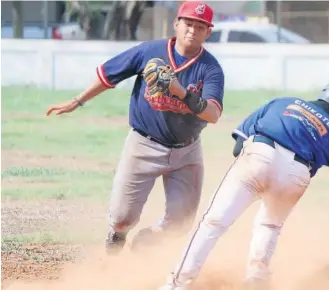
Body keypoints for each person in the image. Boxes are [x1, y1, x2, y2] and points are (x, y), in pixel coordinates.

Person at [157, 79, 329, 290]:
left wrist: (252, 176)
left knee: (213, 224)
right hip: (296, 174)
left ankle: (175, 285)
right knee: (269, 225)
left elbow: (238, 144)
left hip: (260, 153)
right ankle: (256, 279)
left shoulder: (283, 102)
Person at [46, 1, 225, 255]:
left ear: (208, 32)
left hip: (187, 152)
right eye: (188, 23)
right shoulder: (151, 51)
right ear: (176, 24)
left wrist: (180, 92)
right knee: (122, 218)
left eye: (200, 26)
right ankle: (116, 238)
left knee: (180, 223)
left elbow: (213, 113)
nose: (192, 30)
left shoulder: (210, 68)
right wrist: (78, 101)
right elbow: (108, 75)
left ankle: (145, 243)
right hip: (143, 145)